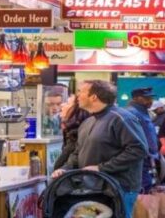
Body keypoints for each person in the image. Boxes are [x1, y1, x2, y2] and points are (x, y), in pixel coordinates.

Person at [52, 80, 148, 217]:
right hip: (93, 188)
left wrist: (102, 168)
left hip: (119, 188)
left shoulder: (122, 118)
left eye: (81, 91)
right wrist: (65, 169)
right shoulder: (87, 122)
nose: (77, 96)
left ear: (94, 97)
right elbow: (78, 152)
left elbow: (138, 150)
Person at [127, 88, 159, 193]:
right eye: (146, 98)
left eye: (151, 98)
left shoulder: (143, 112)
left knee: (146, 185)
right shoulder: (132, 113)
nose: (150, 101)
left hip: (146, 155)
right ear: (136, 98)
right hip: (139, 156)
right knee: (142, 187)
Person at [53, 94, 90, 170]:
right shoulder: (70, 133)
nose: (62, 105)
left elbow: (62, 166)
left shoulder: (76, 136)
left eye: (67, 103)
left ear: (78, 111)